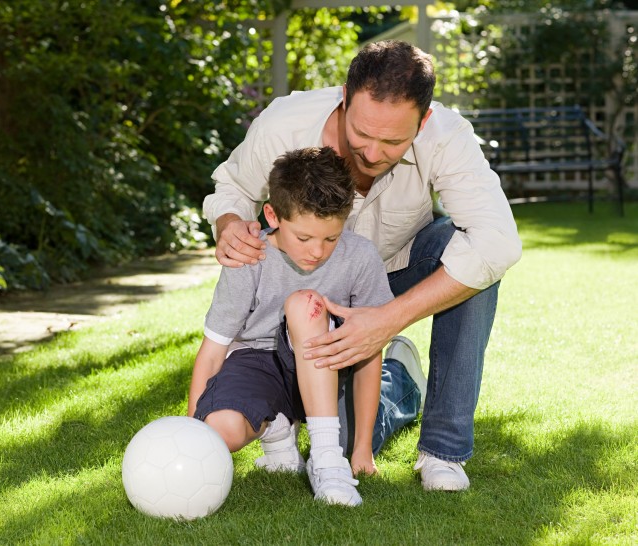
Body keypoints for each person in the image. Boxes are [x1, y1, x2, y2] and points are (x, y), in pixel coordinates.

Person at [202, 40, 523, 491]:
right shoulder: (284, 123)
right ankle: (399, 378)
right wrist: (230, 223)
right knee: (339, 437)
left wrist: (387, 319)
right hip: (301, 286)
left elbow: (499, 243)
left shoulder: (447, 136)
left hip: (394, 276)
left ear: (423, 121)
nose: (372, 153)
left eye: (393, 141)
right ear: (344, 99)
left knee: (474, 263)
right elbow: (232, 188)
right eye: (362, 133)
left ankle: (443, 452)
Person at [188, 146, 425, 506]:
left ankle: (335, 453)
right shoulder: (248, 255)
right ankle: (280, 429)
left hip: (331, 364)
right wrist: (193, 444)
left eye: (331, 238)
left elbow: (366, 351)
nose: (317, 251)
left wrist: (362, 451)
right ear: (273, 214)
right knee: (219, 430)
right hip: (260, 363)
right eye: (304, 238)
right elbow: (212, 353)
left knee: (305, 304)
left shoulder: (360, 257)